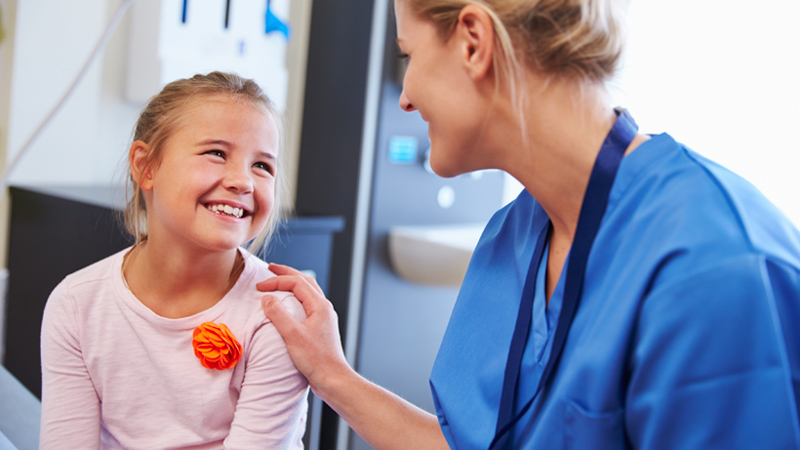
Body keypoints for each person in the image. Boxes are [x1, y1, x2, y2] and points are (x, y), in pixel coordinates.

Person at [257, 0, 800, 449]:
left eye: (409, 56)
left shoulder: (717, 263)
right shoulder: (511, 238)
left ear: (473, 42)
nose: (405, 95)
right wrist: (332, 375)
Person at [39, 72, 309, 449]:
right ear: (146, 166)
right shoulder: (76, 304)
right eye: (216, 153)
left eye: (262, 166)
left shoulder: (277, 315)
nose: (243, 181)